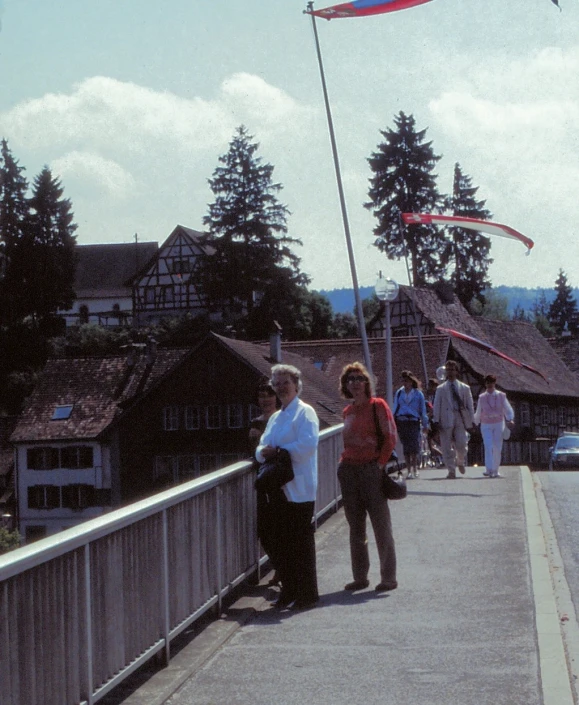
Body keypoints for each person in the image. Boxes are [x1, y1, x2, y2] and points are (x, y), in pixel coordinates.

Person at [255, 364, 320, 611]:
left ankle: (307, 594)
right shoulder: (275, 417)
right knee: (277, 540)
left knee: (300, 543)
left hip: (299, 487)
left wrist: (279, 451)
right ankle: (290, 589)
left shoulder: (306, 413)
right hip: (277, 489)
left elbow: (308, 445)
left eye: (286, 382)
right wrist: (264, 452)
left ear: (296, 385)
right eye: (277, 383)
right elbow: (261, 446)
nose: (281, 387)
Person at [337, 362, 398, 593]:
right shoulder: (348, 411)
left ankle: (388, 578)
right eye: (350, 379)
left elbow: (390, 436)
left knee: (381, 525)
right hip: (349, 471)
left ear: (366, 383)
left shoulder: (377, 406)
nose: (355, 383)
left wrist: (379, 465)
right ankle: (360, 577)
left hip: (371, 470)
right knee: (356, 528)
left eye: (359, 378)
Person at [249, 378, 282, 586]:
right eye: (261, 395)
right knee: (264, 529)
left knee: (279, 526)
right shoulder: (255, 421)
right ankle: (278, 566)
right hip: (262, 479)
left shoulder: (280, 419)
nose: (265, 399)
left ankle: (281, 570)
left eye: (269, 394)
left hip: (279, 479)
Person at [432, 360, 475, 479]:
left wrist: (472, 420)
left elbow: (470, 405)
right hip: (445, 417)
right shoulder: (441, 389)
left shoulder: (464, 388)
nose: (450, 372)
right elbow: (437, 405)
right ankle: (451, 470)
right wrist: (436, 420)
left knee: (461, 443)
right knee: (446, 446)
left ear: (456, 371)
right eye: (448, 370)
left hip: (460, 416)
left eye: (452, 369)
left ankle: (460, 461)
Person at [474, 374, 515, 478]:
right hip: (486, 424)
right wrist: (476, 422)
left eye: (491, 382)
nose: (489, 385)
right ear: (485, 384)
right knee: (488, 446)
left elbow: (508, 409)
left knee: (497, 447)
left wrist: (510, 419)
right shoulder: (482, 397)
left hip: (498, 423)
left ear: (494, 383)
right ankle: (489, 469)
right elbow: (478, 411)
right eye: (487, 383)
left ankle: (495, 470)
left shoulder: (501, 396)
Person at [392, 370, 428, 479]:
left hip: (413, 421)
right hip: (402, 421)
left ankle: (415, 469)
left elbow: (423, 410)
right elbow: (395, 407)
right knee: (406, 448)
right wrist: (393, 421)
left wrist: (425, 424)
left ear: (411, 382)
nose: (405, 384)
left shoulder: (418, 394)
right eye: (403, 381)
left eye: (407, 381)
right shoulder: (399, 393)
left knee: (414, 447)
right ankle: (408, 470)